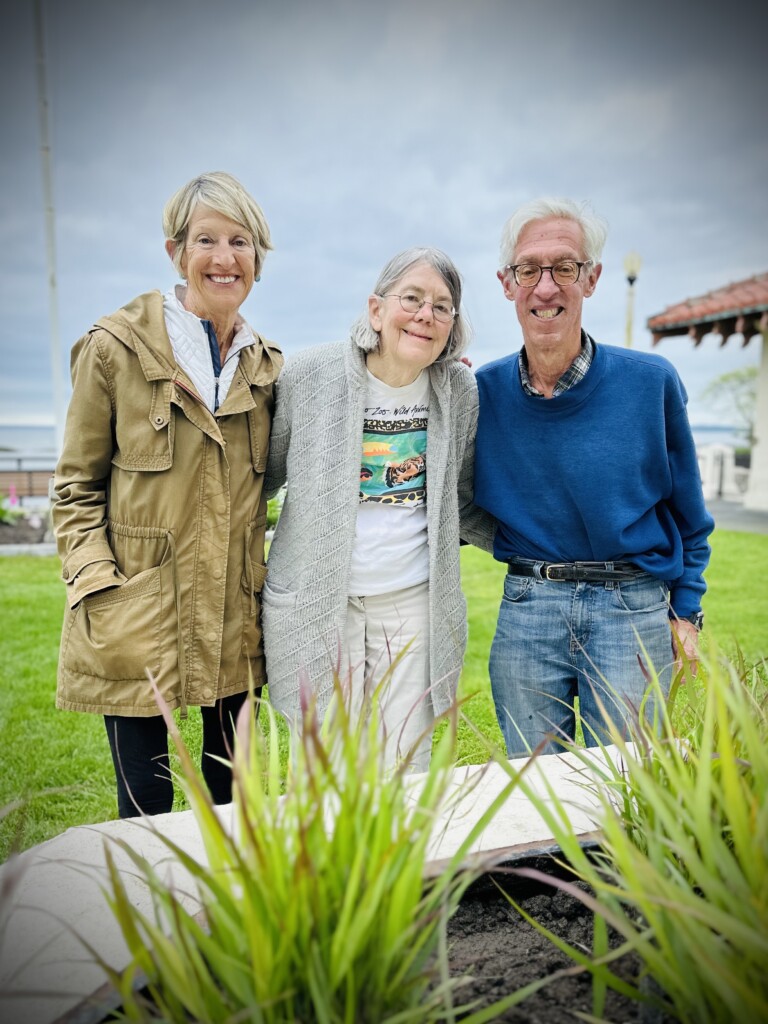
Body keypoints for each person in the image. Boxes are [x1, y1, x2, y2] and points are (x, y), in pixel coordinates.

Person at [52, 171, 283, 816]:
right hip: (138, 611)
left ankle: (230, 915)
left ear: (258, 258)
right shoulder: (114, 349)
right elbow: (74, 486)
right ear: (175, 252)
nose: (223, 257)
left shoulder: (265, 367)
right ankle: (156, 917)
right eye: (205, 239)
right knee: (145, 808)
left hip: (234, 617)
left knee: (235, 800)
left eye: (240, 241)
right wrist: (98, 583)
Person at [472, 197, 714, 756]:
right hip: (529, 605)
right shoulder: (480, 393)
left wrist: (687, 608)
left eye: (564, 267)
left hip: (632, 608)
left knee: (629, 789)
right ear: (508, 283)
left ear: (593, 278)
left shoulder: (651, 383)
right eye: (529, 269)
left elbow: (690, 514)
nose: (546, 286)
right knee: (534, 792)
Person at [263, 247, 490, 770]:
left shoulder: (458, 388)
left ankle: (404, 857)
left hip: (413, 601)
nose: (424, 315)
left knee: (405, 765)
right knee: (322, 768)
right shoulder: (308, 375)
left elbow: (461, 490)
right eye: (411, 298)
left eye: (441, 306)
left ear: (453, 325)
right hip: (322, 598)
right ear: (376, 310)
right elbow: (264, 478)